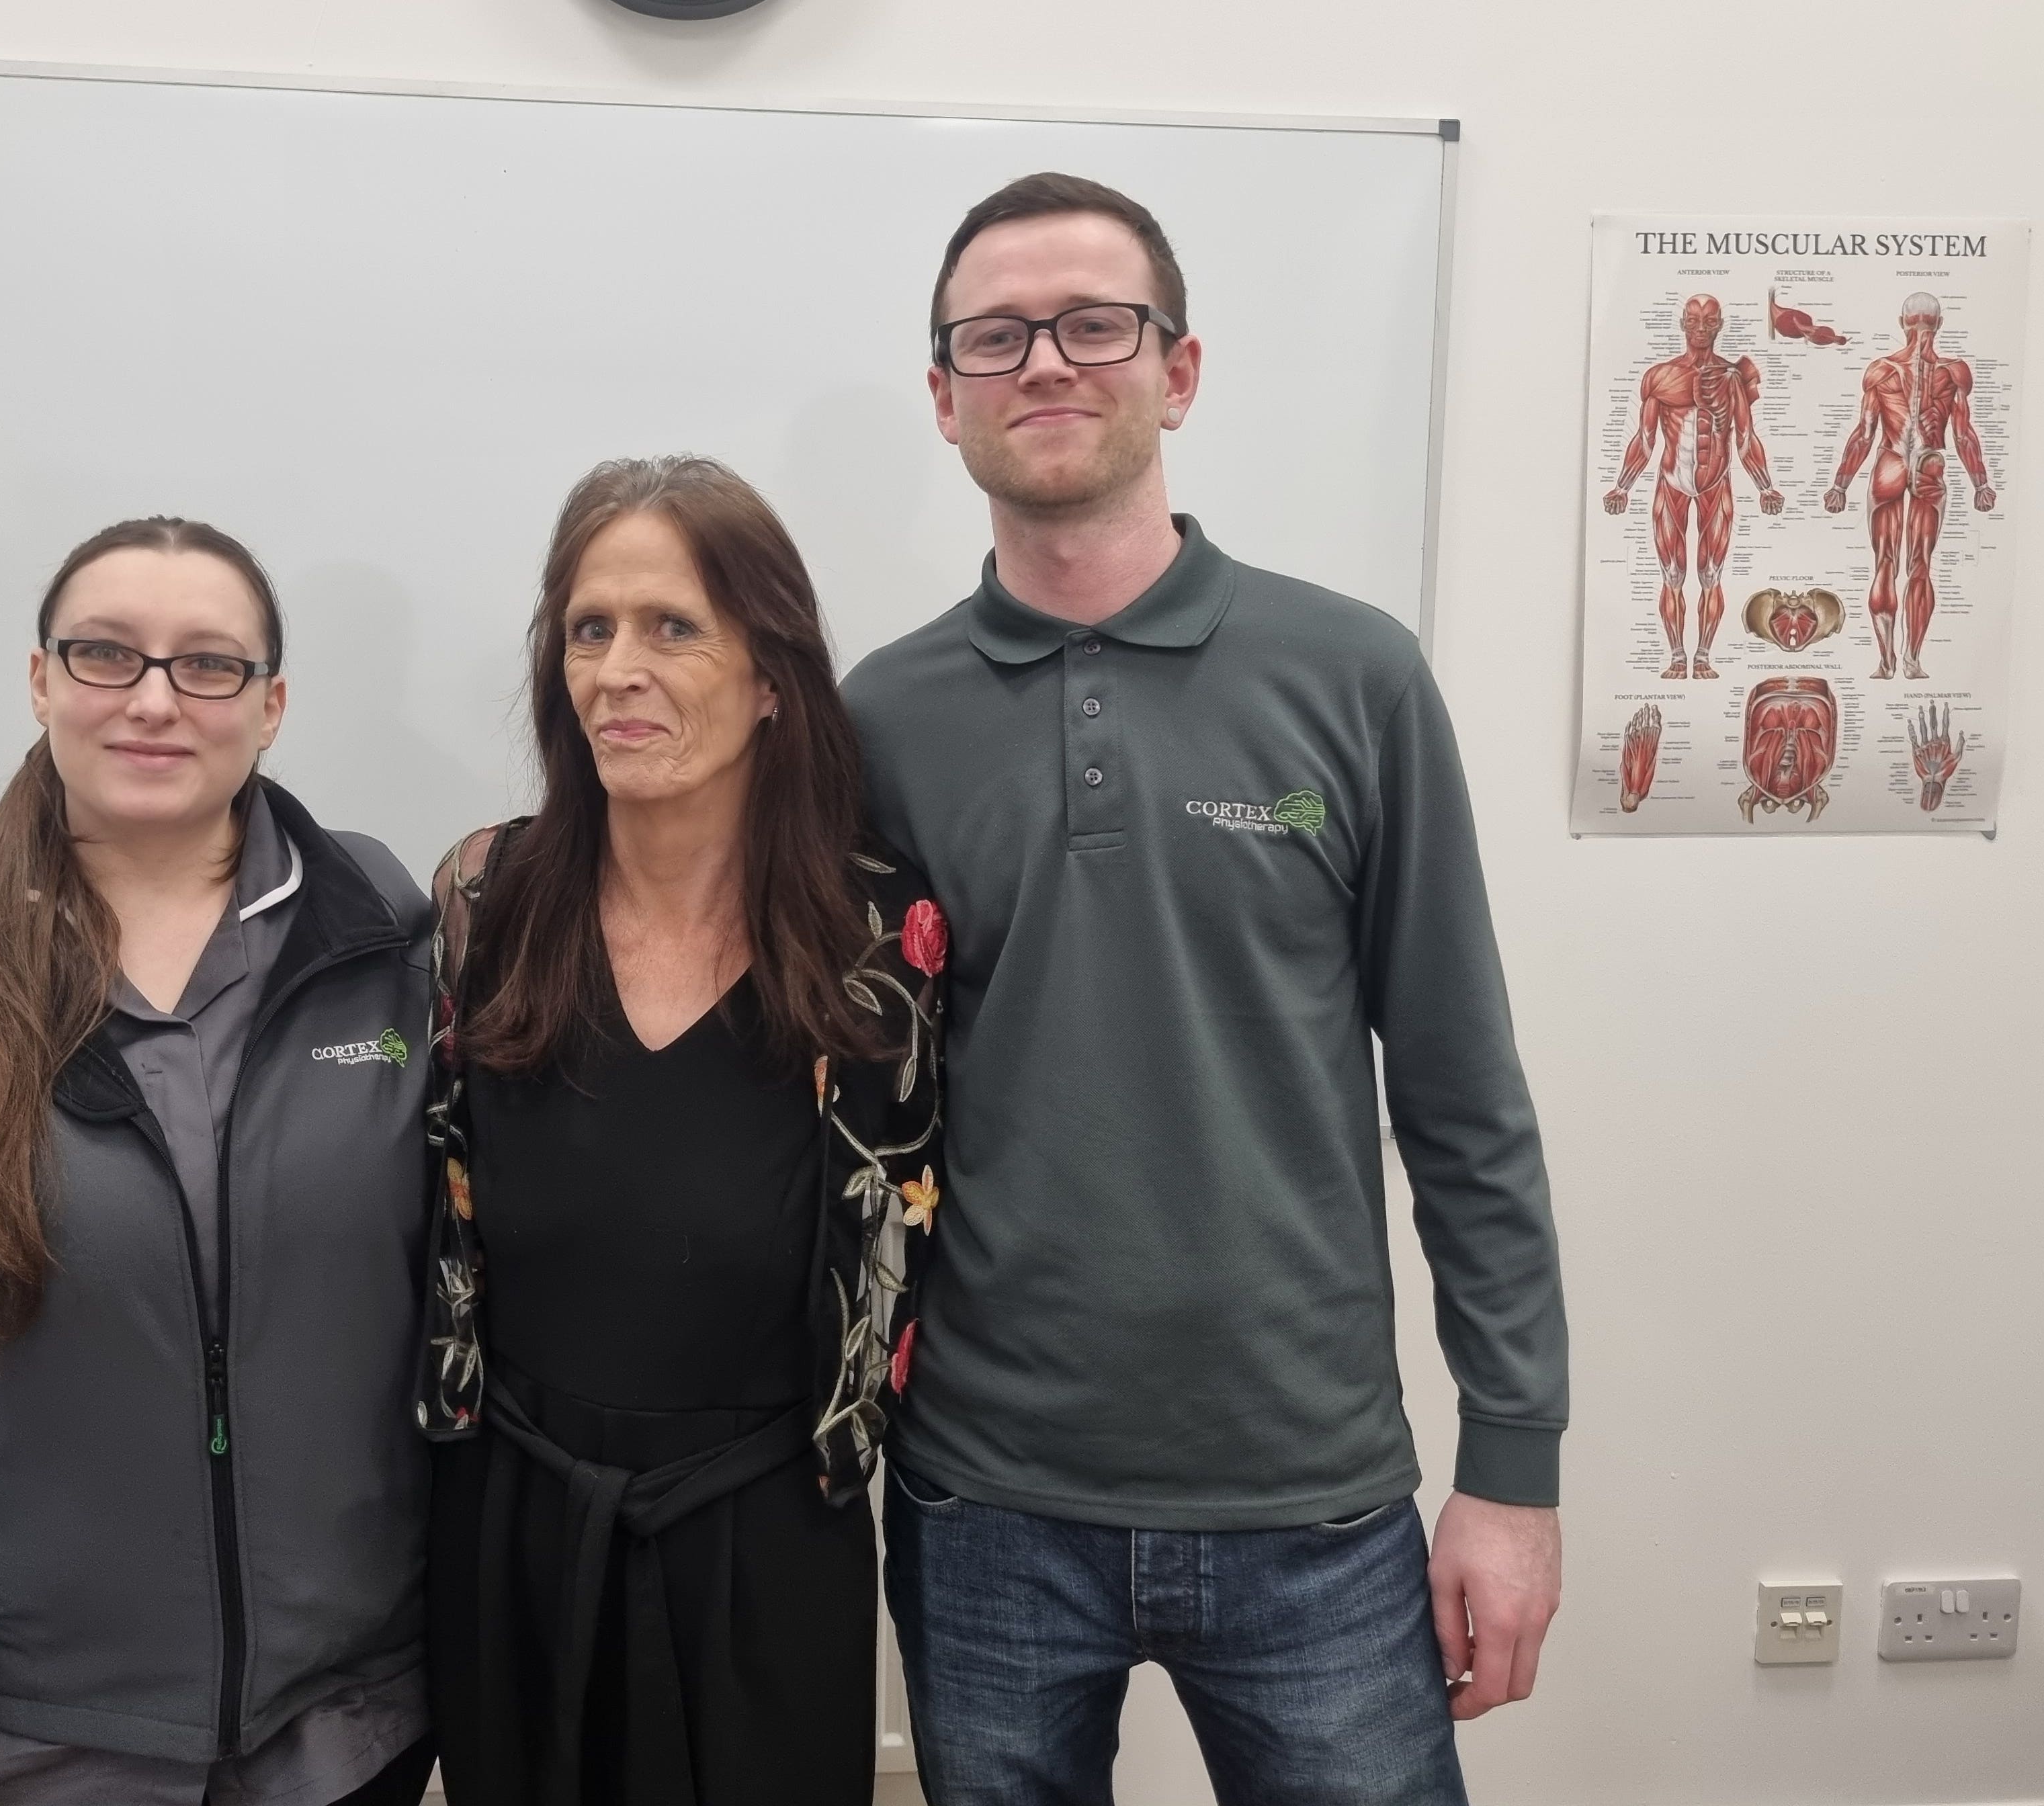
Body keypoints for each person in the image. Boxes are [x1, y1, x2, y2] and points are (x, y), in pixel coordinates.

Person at [843, 174, 1568, 1805]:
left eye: (1097, 325)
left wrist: (1511, 1477)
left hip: (1311, 1499)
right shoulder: (878, 721)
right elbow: (851, 1126)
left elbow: (1463, 1103)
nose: (1047, 362)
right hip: (985, 1502)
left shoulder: (1353, 677)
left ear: (1177, 371)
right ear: (944, 391)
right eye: (997, 335)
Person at [0, 517, 438, 1806]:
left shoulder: (388, 949)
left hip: (348, 1731)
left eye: (209, 664)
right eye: (107, 654)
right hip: (31, 1741)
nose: (155, 700)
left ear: (271, 704)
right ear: (42, 681)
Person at [415, 456, 945, 1806]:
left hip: (766, 1545)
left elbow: (915, 1242)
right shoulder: (487, 899)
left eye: (673, 628)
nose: (619, 670)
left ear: (771, 677)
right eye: (590, 630)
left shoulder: (881, 938)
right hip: (516, 1534)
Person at [1601, 292, 1786, 680]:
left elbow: (1746, 438)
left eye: (1709, 321)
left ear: (1720, 326)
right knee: (1672, 574)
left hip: (1716, 485)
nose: (1701, 328)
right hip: (1672, 484)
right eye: (1694, 320)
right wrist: (1623, 486)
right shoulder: (1660, 377)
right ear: (1682, 324)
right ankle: (1676, 656)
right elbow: (1646, 439)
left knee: (1710, 575)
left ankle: (1702, 655)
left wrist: (1765, 486)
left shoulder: (1732, 378)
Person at [1822, 290, 2000, 681]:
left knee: (1885, 562)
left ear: (1902, 322)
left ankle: (1886, 661)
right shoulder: (1954, 372)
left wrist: (1841, 485)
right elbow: (1963, 434)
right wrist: (1980, 484)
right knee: (1920, 567)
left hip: (1891, 462)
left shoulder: (1882, 369)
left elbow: (1864, 434)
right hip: (1930, 464)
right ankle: (1911, 660)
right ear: (1939, 324)